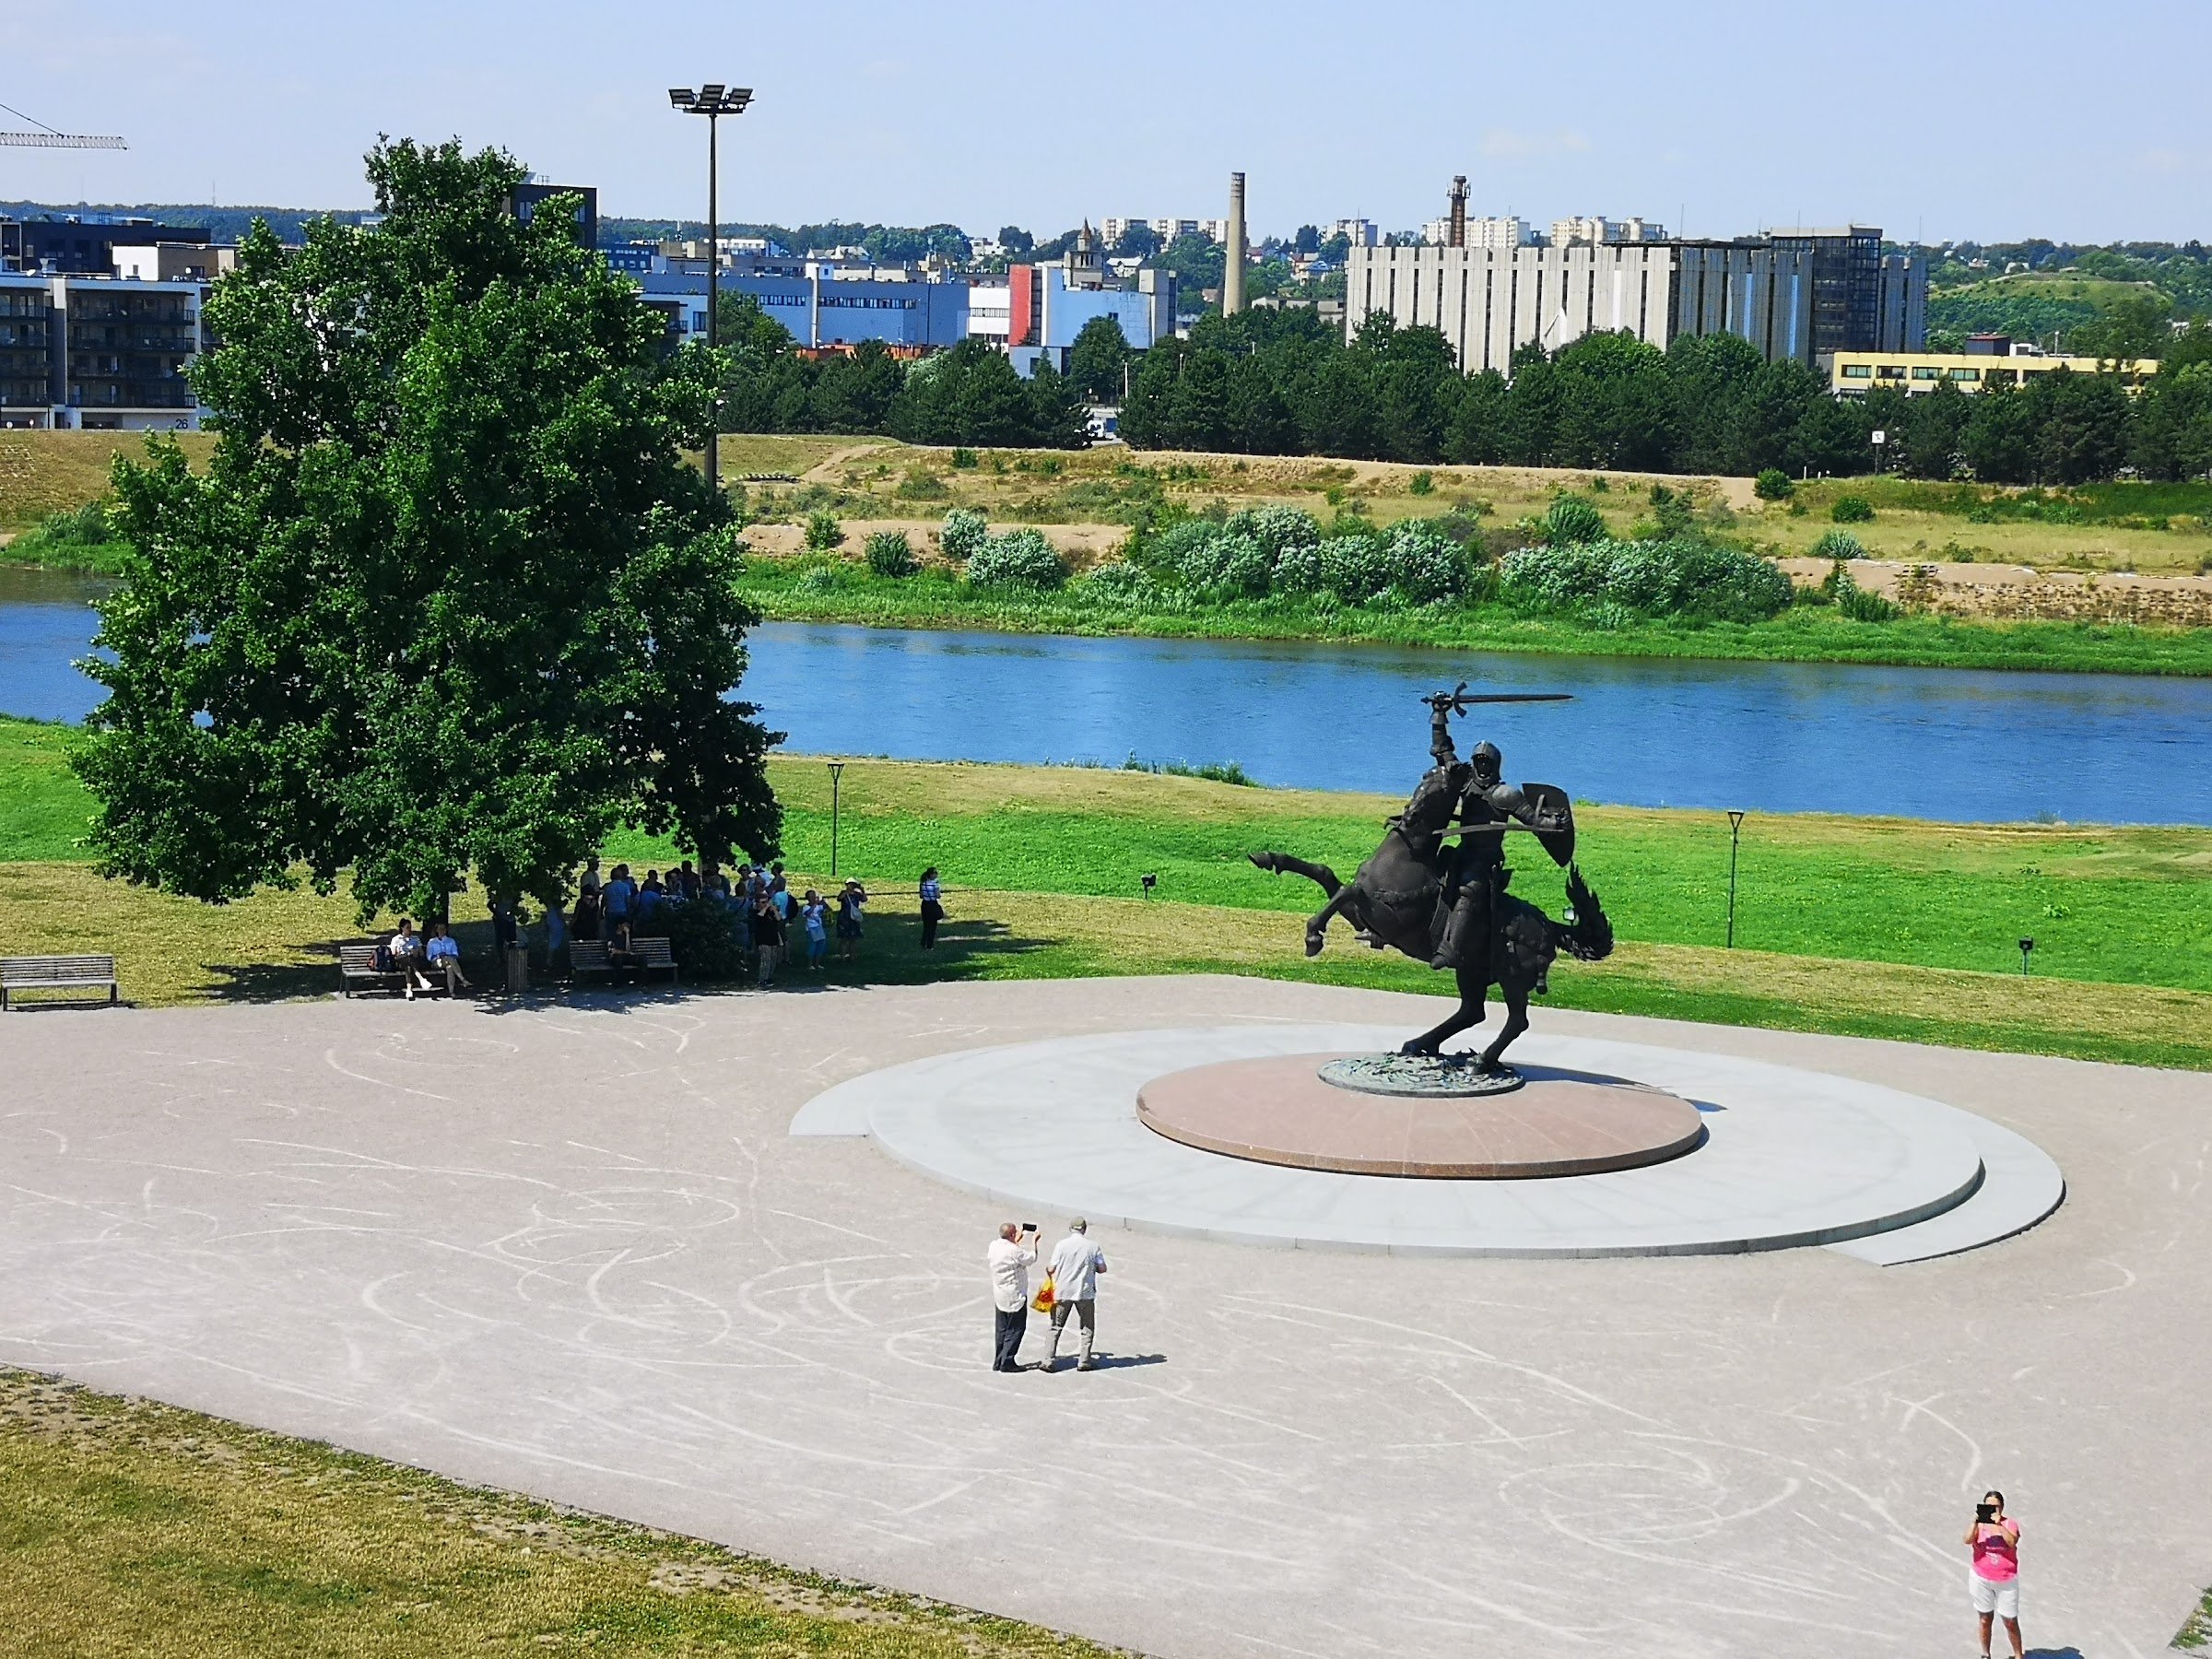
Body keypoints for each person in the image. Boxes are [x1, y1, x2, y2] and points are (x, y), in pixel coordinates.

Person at [1043, 1218, 1108, 1371]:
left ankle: (1048, 1360)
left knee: (1055, 1327)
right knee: (1087, 1328)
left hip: (1063, 1291)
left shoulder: (1061, 1245)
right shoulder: (1093, 1246)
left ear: (1071, 1228)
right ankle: (1084, 1361)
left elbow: (1051, 1268)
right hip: (1085, 1292)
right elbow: (1103, 1268)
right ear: (1084, 1229)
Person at [1965, 1490, 2022, 1659]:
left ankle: (2018, 1655)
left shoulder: (2009, 1524)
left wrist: (1999, 1526)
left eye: (1995, 1506)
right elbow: (1967, 1540)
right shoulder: (1980, 1525)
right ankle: (1985, 1654)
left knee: (2010, 1621)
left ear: (2001, 1508)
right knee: (1984, 1618)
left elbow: (2012, 1542)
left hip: (2006, 1581)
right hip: (1981, 1578)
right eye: (1988, 1506)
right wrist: (1974, 1523)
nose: (1992, 1509)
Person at [987, 1222, 1040, 1371]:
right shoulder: (1014, 1251)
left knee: (1001, 1329)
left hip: (1000, 1293)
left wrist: (1016, 1242)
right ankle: (1007, 1361)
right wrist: (1033, 1242)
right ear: (1011, 1235)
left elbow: (1010, 1253)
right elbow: (1030, 1258)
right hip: (1014, 1294)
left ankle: (998, 1360)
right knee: (1016, 1328)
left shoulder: (994, 1246)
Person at [387, 918, 435, 1000]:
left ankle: (409, 990)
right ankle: (421, 979)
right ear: (402, 928)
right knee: (407, 958)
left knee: (409, 966)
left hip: (413, 960)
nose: (410, 929)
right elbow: (393, 954)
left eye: (410, 927)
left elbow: (422, 953)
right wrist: (398, 950)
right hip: (401, 960)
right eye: (407, 927)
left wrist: (416, 950)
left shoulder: (415, 938)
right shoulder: (396, 939)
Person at [422, 919, 470, 995]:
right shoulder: (431, 942)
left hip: (449, 961)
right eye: (440, 929)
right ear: (436, 930)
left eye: (443, 929)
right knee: (449, 961)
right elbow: (429, 956)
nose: (442, 931)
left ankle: (451, 992)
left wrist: (447, 955)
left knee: (449, 967)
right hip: (437, 961)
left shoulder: (451, 941)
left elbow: (455, 954)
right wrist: (438, 955)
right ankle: (462, 979)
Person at [752, 889, 784, 988]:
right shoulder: (756, 911)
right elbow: (760, 916)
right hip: (763, 940)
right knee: (765, 960)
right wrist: (765, 908)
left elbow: (779, 918)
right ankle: (762, 979)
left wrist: (774, 910)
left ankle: (769, 977)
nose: (765, 904)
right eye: (763, 902)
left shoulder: (770, 912)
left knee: (773, 960)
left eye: (766, 901)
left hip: (773, 938)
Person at [836, 879, 867, 960]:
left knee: (853, 939)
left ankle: (852, 956)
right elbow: (839, 898)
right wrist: (847, 892)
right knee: (844, 939)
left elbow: (864, 899)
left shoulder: (857, 894)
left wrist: (862, 890)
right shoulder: (844, 893)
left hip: (853, 918)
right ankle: (843, 957)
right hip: (844, 917)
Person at [801, 888, 830, 971]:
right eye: (811, 896)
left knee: (821, 945)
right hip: (811, 928)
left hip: (819, 927)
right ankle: (810, 964)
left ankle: (817, 963)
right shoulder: (806, 907)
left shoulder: (819, 906)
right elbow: (807, 914)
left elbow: (827, 909)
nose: (813, 898)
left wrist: (824, 903)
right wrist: (814, 904)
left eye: (814, 895)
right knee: (812, 946)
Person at [919, 866, 946, 949]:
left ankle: (923, 942)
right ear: (931, 875)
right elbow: (938, 895)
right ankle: (929, 945)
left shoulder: (923, 883)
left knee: (926, 925)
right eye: (935, 873)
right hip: (932, 904)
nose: (937, 874)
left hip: (925, 904)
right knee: (932, 926)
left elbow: (921, 895)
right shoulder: (935, 884)